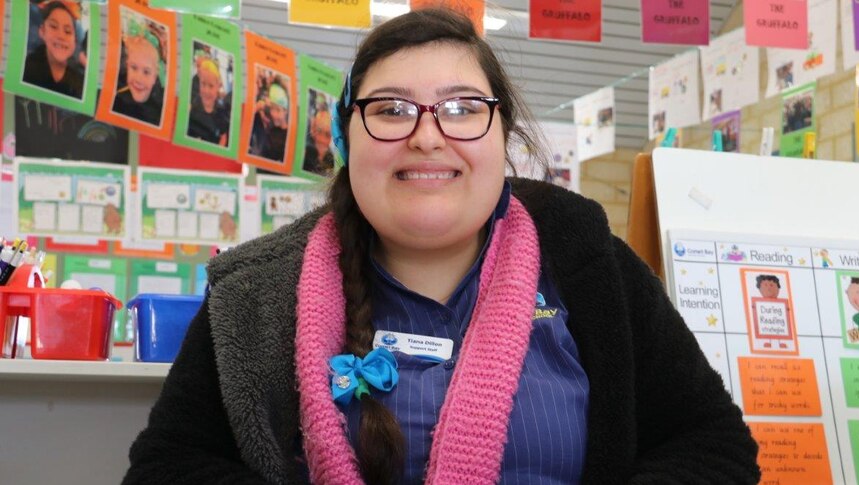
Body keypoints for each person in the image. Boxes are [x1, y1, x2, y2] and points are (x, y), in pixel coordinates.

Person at [123, 8, 760, 484]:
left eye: (461, 108)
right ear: (348, 139)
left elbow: (714, 447)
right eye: (392, 110)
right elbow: (166, 467)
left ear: (501, 137)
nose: (428, 137)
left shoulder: (593, 266)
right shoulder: (256, 292)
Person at [22, 0, 84, 99]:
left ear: (75, 42)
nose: (61, 36)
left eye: (67, 32)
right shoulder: (27, 68)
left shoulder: (80, 82)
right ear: (42, 31)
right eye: (54, 27)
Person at [111, 21, 165, 126]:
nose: (138, 79)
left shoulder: (162, 107)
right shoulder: (117, 99)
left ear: (155, 75)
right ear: (127, 65)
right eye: (134, 68)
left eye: (146, 72)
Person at [187, 53, 231, 146]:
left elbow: (223, 136)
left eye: (211, 86)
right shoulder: (193, 107)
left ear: (218, 87)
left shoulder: (221, 112)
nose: (206, 91)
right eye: (203, 84)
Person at [248, 82, 290, 162]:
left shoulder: (287, 138)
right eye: (272, 109)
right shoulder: (270, 125)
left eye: (278, 110)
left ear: (286, 111)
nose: (273, 114)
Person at [302, 108, 335, 175]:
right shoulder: (305, 152)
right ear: (313, 130)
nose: (322, 140)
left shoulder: (331, 159)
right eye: (319, 132)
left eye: (327, 135)